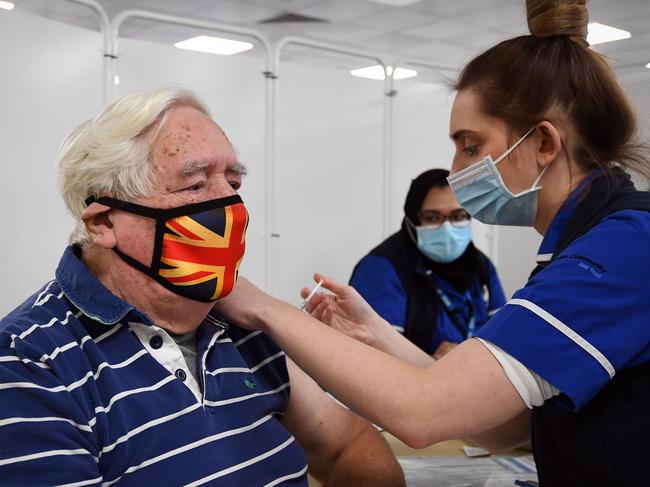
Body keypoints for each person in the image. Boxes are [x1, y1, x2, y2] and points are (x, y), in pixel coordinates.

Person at [214, 1, 650, 485]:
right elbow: (500, 426)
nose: (457, 171)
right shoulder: (583, 247)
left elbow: (424, 413)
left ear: (544, 144)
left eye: (470, 146)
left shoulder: (620, 252)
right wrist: (376, 334)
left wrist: (258, 304)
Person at [0, 87, 405, 486]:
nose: (230, 206)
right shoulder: (28, 361)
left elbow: (348, 446)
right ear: (105, 222)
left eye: (233, 182)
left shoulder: (237, 322)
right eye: (195, 186)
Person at [350, 168, 505, 359]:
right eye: (432, 218)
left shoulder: (481, 266)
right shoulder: (380, 270)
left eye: (458, 216)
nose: (447, 228)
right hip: (405, 385)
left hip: (477, 382)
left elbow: (505, 340)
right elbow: (374, 358)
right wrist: (431, 364)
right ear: (413, 220)